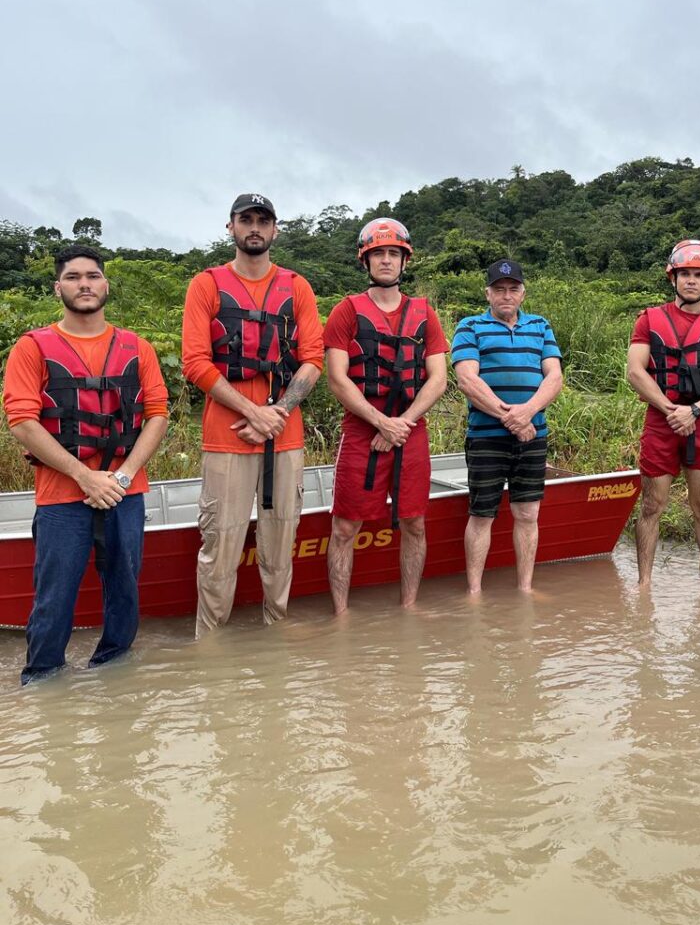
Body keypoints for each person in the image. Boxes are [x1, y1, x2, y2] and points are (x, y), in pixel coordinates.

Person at [2, 245, 169, 683]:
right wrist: (83, 476)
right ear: (57, 287)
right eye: (73, 277)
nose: (84, 284)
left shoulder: (137, 347)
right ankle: (43, 681)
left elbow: (157, 414)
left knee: (125, 589)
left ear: (106, 284)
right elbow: (22, 420)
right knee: (54, 597)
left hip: (125, 492)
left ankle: (115, 679)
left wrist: (122, 477)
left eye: (92, 276)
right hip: (61, 497)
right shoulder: (32, 348)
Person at [182, 194, 323, 636]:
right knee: (220, 546)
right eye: (246, 220)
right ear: (231, 227)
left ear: (275, 229)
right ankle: (211, 641)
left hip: (285, 436)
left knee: (280, 544)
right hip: (227, 436)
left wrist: (277, 412)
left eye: (263, 220)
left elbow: (313, 359)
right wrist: (252, 412)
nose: (255, 227)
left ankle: (276, 634)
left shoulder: (297, 286)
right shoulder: (206, 285)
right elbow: (195, 362)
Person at [323, 217, 448, 613]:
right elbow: (337, 379)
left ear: (404, 260)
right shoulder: (346, 312)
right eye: (378, 254)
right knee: (345, 527)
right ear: (366, 260)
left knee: (414, 522)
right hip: (362, 431)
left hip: (410, 429)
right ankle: (341, 615)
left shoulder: (424, 314)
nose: (386, 260)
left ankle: (409, 608)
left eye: (394, 253)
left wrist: (400, 425)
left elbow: (438, 379)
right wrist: (381, 423)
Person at [626, 239, 700, 592]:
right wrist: (671, 410)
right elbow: (635, 371)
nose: (691, 280)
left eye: (699, 275)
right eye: (685, 274)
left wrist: (695, 410)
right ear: (673, 278)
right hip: (661, 420)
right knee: (652, 505)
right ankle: (644, 586)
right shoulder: (648, 319)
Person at [451, 260, 563, 595]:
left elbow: (554, 377)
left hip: (533, 436)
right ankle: (474, 592)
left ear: (522, 293)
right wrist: (512, 420)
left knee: (527, 514)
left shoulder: (540, 325)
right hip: (486, 437)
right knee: (482, 514)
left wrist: (527, 413)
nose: (506, 295)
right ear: (488, 293)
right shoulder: (470, 326)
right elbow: (467, 380)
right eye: (499, 289)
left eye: (513, 289)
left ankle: (525, 589)